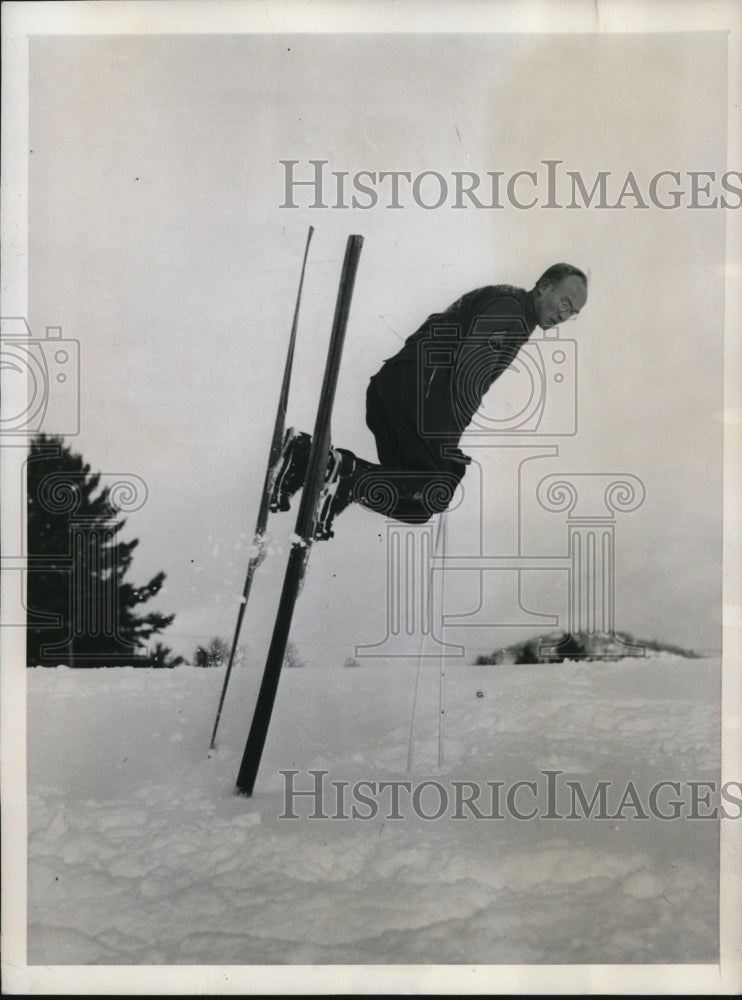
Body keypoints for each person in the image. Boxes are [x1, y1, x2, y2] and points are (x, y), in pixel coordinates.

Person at [270, 262, 588, 537]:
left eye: (573, 312)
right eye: (565, 302)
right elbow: (469, 369)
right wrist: (446, 445)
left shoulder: (519, 316)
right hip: (416, 389)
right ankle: (333, 471)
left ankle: (319, 466)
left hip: (402, 392)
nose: (566, 315)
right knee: (437, 482)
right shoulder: (511, 306)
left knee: (421, 505)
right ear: (545, 287)